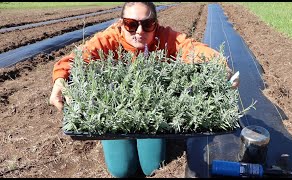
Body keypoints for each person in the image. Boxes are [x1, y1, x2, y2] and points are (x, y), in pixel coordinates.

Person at [49, 2, 240, 178]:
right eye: (131, 24)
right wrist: (59, 81)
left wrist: (220, 66)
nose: (139, 31)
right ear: (122, 23)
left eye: (147, 24)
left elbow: (193, 48)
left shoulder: (164, 37)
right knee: (122, 170)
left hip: (150, 111)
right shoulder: (109, 39)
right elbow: (76, 58)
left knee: (152, 167)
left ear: (155, 24)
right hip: (116, 110)